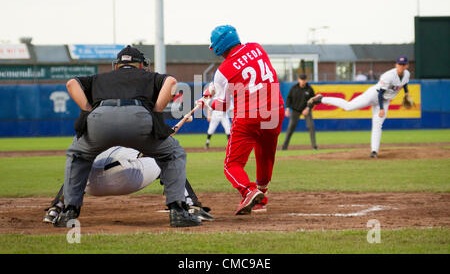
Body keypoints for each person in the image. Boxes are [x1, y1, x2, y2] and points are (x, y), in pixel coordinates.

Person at [53, 45, 201, 228]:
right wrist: (156, 111)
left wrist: (88, 109)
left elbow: (71, 84)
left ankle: (68, 212)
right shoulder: (149, 76)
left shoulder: (100, 78)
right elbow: (171, 82)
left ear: (117, 66)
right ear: (140, 65)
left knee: (77, 156)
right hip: (139, 118)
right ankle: (178, 211)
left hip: (99, 119)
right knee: (173, 154)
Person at [196, 25, 285, 215]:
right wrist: (215, 87)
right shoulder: (256, 47)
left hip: (249, 116)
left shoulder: (223, 70)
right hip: (275, 110)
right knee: (265, 156)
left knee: (232, 165)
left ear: (219, 46)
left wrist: (208, 102)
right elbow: (247, 69)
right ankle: (261, 200)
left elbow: (223, 106)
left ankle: (248, 190)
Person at [43, 146, 213, 223]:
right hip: (125, 177)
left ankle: (55, 209)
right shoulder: (136, 123)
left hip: (89, 183)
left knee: (77, 169)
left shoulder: (94, 127)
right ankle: (191, 206)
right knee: (168, 163)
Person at [307, 56, 411, 158]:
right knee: (348, 106)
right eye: (399, 64)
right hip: (374, 95)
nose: (401, 66)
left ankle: (374, 151)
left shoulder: (407, 74)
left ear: (407, 65)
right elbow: (380, 93)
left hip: (385, 100)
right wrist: (381, 109)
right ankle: (321, 99)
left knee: (377, 125)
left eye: (403, 64)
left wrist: (406, 93)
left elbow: (404, 83)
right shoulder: (388, 75)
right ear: (396, 64)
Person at [282, 74, 317, 150]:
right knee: (290, 128)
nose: (303, 81)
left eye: (304, 80)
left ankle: (314, 146)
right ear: (298, 80)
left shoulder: (309, 89)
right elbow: (288, 99)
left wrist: (307, 108)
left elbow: (313, 101)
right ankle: (284, 147)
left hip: (306, 110)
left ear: (306, 80)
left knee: (311, 126)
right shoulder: (294, 88)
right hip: (295, 110)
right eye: (301, 79)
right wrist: (287, 109)